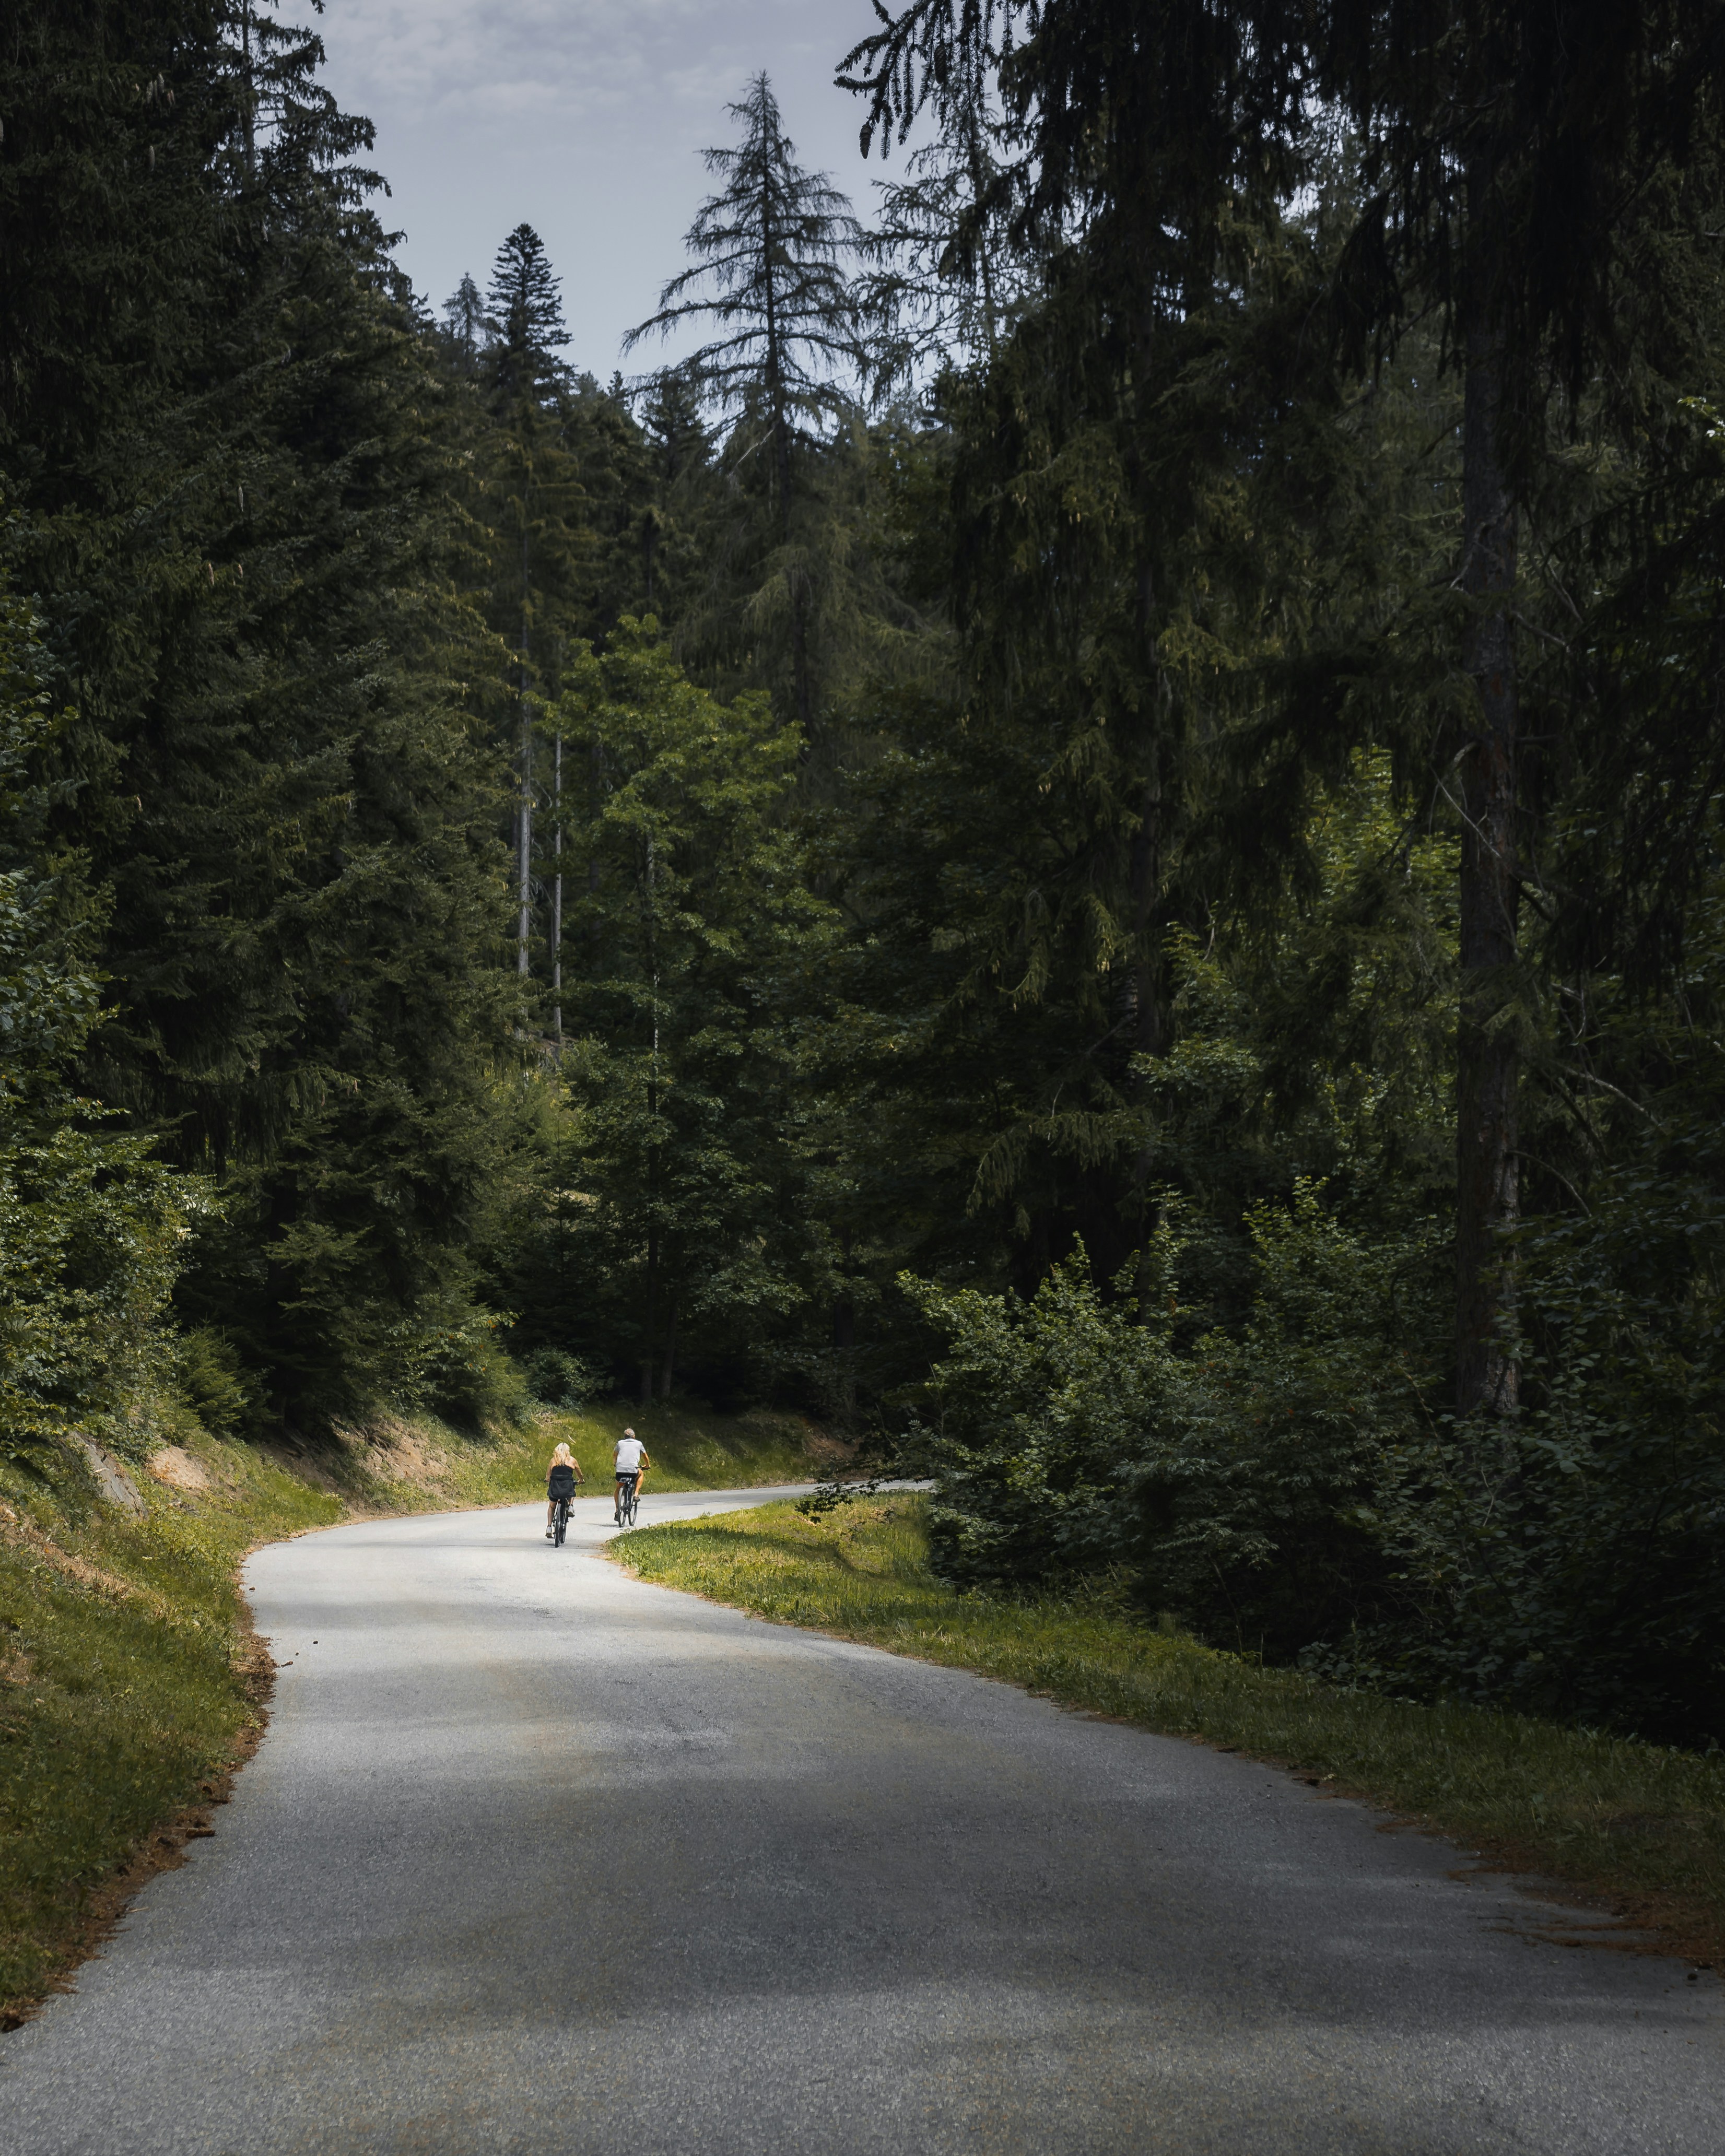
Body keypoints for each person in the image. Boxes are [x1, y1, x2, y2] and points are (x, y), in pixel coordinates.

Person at [545, 1441, 582, 1539]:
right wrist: (581, 1480)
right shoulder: (572, 1460)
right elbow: (579, 1473)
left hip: (555, 1487)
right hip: (567, 1486)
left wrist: (547, 1479)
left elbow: (548, 1474)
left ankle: (549, 1527)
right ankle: (571, 1506)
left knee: (552, 1507)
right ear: (568, 1451)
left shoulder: (553, 1461)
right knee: (572, 1492)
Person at [614, 1426, 650, 1523]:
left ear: (625, 1437)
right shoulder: (639, 1444)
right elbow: (645, 1456)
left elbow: (615, 1455)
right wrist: (647, 1465)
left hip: (620, 1471)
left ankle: (617, 1510)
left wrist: (615, 1463)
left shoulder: (620, 1443)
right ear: (634, 1436)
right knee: (641, 1474)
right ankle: (636, 1494)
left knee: (618, 1489)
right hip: (633, 1471)